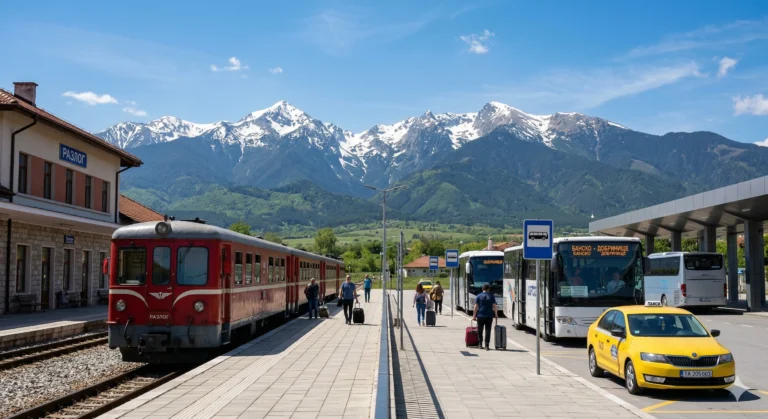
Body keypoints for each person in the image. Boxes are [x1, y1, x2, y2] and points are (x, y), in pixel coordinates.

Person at [472, 283, 498, 350]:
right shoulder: (492, 296)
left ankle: (480, 344)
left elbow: (475, 307)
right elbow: (494, 306)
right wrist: (496, 315)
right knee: (488, 331)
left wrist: (474, 316)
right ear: (488, 289)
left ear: (482, 289)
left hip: (480, 315)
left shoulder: (478, 296)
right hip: (489, 316)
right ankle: (487, 346)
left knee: (480, 330)